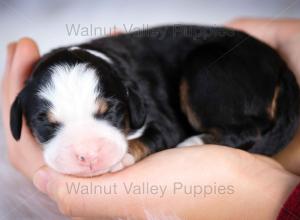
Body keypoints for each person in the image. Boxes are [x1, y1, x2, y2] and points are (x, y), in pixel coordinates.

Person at [1, 18, 300, 219]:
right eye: (50, 126)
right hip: (245, 72)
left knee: (206, 80)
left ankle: (237, 132)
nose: (87, 152)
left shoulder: (134, 89)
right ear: (19, 118)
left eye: (108, 115)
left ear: (131, 102)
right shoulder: (39, 93)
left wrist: (135, 149)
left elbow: (162, 128)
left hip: (234, 61)